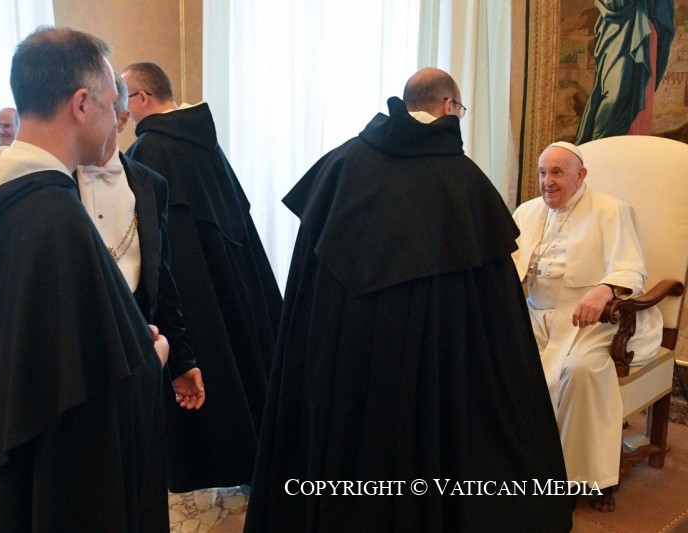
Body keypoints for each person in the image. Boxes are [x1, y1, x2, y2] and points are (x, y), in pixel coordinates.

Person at [243, 67, 573, 532]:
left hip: (347, 367)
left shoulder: (341, 166)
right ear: (448, 108)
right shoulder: (464, 182)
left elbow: (306, 292)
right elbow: (497, 324)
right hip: (435, 372)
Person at [0, 27, 179, 532]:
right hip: (37, 480)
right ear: (82, 104)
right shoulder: (56, 218)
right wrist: (151, 358)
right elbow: (90, 400)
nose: (115, 121)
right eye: (109, 104)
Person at [122, 62, 283, 492]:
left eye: (123, 98)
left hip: (193, 296)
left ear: (140, 99)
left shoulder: (150, 150)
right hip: (235, 281)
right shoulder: (205, 141)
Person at [512, 141, 663, 511]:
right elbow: (507, 267)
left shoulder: (612, 211)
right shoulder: (526, 212)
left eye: (557, 172)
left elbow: (631, 268)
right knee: (494, 358)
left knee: (580, 369)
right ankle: (514, 465)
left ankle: (582, 478)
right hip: (534, 316)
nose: (547, 181)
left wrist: (603, 290)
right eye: (542, 172)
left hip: (591, 321)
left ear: (580, 176)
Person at [75, 73, 205, 408]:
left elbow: (162, 278)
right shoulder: (55, 182)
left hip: (140, 352)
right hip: (76, 360)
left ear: (121, 120)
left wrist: (182, 362)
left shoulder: (150, 184)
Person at [574, 0, 674, 143]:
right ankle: (599, 147)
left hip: (642, 29)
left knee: (635, 90)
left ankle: (630, 152)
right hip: (616, 30)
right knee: (615, 95)